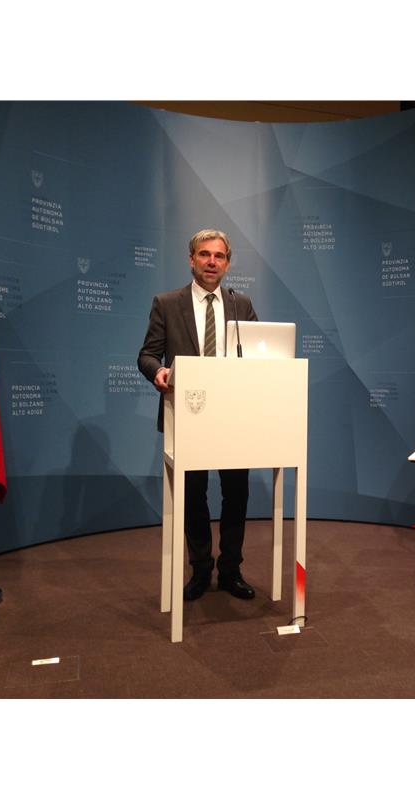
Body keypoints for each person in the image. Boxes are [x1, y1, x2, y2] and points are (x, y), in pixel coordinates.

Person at [138, 229, 258, 602]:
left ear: (228, 263)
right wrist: (157, 371)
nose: (211, 262)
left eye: (219, 256)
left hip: (233, 417)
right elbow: (147, 354)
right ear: (191, 259)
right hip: (187, 414)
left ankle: (231, 570)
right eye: (204, 254)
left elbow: (259, 358)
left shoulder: (241, 304)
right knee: (193, 495)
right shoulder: (166, 303)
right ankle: (201, 569)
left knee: (236, 494)